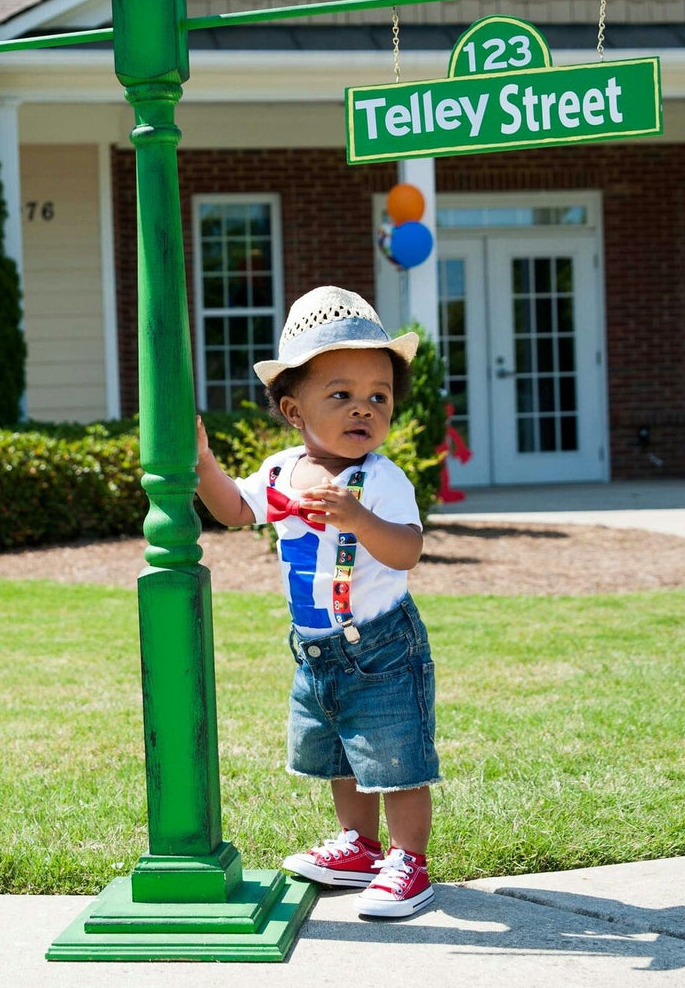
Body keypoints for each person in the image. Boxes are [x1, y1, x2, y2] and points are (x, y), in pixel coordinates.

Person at [195, 285, 441, 919]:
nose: (364, 409)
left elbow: (408, 551)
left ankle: (410, 861)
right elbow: (231, 510)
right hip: (315, 651)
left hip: (381, 645)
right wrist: (200, 461)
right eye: (341, 395)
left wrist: (357, 518)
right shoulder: (279, 473)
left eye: (377, 398)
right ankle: (360, 847)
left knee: (394, 754)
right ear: (292, 409)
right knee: (342, 753)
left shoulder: (380, 481)